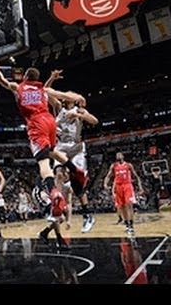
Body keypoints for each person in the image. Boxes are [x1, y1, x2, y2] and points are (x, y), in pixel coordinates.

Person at [0, 61, 87, 212]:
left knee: (43, 163)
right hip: (50, 121)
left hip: (36, 123)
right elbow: (62, 95)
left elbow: (2, 80)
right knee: (51, 152)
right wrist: (78, 97)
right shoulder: (42, 89)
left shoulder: (19, 87)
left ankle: (52, 191)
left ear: (26, 76)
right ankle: (76, 170)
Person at [44, 69, 98, 233]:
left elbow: (94, 121)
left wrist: (82, 117)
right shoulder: (59, 107)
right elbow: (45, 91)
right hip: (61, 147)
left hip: (76, 148)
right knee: (58, 175)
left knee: (76, 184)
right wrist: (51, 79)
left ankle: (87, 215)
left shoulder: (80, 110)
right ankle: (57, 209)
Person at [103, 152, 144, 235]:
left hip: (127, 185)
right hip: (118, 186)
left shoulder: (128, 165)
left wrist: (140, 187)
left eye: (119, 154)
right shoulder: (114, 166)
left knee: (129, 204)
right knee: (121, 206)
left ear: (123, 156)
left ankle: (131, 224)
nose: (118, 155)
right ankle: (126, 224)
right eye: (116, 155)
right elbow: (108, 176)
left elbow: (136, 176)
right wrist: (105, 184)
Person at [38, 165, 73, 250]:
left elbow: (69, 203)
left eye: (67, 172)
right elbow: (39, 181)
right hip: (41, 194)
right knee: (58, 216)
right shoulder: (51, 180)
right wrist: (42, 191)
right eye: (62, 172)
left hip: (53, 200)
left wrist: (69, 220)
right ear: (55, 174)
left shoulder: (68, 187)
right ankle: (59, 240)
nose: (65, 174)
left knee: (61, 218)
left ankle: (44, 233)